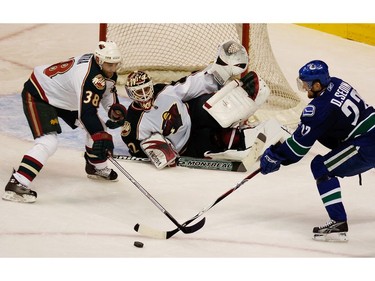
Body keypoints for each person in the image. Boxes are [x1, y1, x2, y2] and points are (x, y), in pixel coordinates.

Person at [259, 60, 375, 242]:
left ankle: (338, 222)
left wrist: (276, 156)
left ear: (318, 84)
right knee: (323, 136)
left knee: (321, 167)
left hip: (366, 144)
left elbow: (297, 150)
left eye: (306, 84)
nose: (305, 88)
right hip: (369, 131)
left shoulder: (320, 109)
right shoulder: (338, 82)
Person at [114, 40, 271, 169]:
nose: (144, 95)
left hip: (193, 114)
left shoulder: (162, 91)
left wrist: (218, 72)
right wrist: (155, 152)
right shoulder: (134, 123)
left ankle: (243, 115)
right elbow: (134, 146)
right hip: (187, 145)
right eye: (138, 92)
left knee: (214, 106)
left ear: (151, 85)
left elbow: (188, 86)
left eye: (146, 89)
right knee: (215, 142)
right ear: (130, 94)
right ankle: (242, 138)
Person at [3, 41, 127, 204]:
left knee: (99, 129)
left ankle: (96, 167)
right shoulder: (88, 76)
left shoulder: (104, 69)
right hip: (40, 95)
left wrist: (113, 110)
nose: (112, 69)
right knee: (48, 142)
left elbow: (106, 92)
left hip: (63, 98)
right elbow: (87, 114)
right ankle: (18, 183)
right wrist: (100, 137)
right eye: (109, 64)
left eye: (115, 64)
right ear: (99, 60)